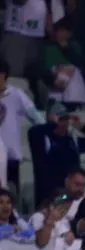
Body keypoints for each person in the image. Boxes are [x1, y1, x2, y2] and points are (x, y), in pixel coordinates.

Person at [28, 103, 85, 206]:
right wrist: (52, 123)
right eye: (61, 118)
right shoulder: (43, 140)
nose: (65, 122)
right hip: (49, 197)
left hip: (69, 195)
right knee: (56, 208)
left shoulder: (73, 141)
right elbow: (32, 132)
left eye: (66, 118)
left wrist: (83, 127)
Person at [0, 61, 45, 193]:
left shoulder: (16, 94)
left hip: (11, 155)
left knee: (10, 196)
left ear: (4, 75)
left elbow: (37, 118)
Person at [41, 17, 85, 110]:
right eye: (58, 31)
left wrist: (66, 49)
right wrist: (53, 80)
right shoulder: (49, 48)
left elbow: (78, 63)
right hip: (55, 95)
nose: (60, 34)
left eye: (63, 31)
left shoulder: (75, 47)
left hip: (74, 96)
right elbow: (44, 70)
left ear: (70, 33)